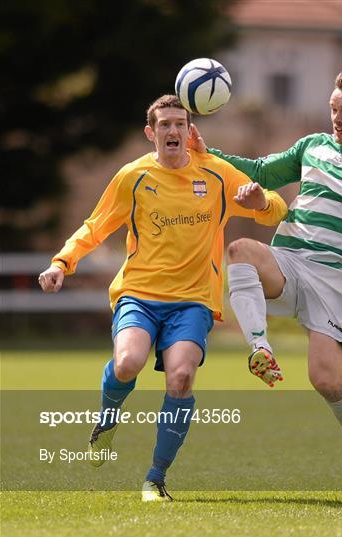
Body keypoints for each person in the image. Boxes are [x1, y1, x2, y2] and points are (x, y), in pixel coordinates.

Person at [38, 94, 287, 501]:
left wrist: (262, 202)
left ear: (190, 132)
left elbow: (276, 208)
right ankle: (107, 420)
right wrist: (61, 263)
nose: (174, 131)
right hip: (139, 293)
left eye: (180, 124)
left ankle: (155, 478)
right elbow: (94, 227)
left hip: (193, 301)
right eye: (165, 125)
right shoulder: (133, 177)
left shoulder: (217, 173)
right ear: (150, 133)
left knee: (181, 378)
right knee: (127, 363)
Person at [190, 69, 342, 495]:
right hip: (290, 259)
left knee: (325, 379)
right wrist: (206, 154)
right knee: (240, 252)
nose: (336, 118)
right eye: (332, 109)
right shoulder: (313, 146)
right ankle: (260, 348)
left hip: (336, 282)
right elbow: (260, 171)